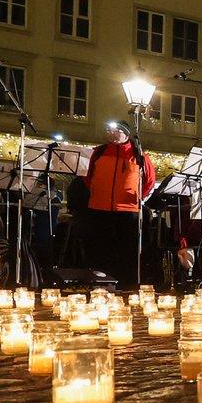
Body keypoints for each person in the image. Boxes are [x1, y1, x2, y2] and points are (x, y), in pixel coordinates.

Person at [80, 121, 155, 285]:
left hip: (128, 211)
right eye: (109, 130)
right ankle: (100, 282)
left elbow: (149, 181)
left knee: (126, 249)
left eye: (116, 131)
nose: (112, 134)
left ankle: (125, 283)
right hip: (99, 208)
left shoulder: (139, 156)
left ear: (126, 134)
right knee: (100, 248)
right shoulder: (97, 153)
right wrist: (97, 191)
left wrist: (137, 197)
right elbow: (87, 177)